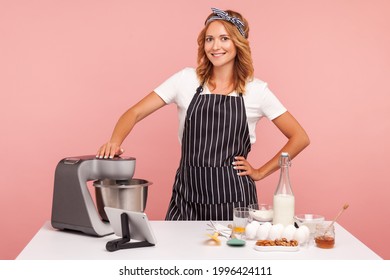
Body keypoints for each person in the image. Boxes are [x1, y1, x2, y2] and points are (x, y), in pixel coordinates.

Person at [96, 8, 310, 221]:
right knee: (179, 253)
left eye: (224, 38)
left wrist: (261, 172)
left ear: (238, 43)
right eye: (209, 39)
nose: (215, 46)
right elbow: (134, 112)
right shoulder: (185, 80)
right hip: (186, 197)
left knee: (230, 253)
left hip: (234, 200)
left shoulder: (256, 90)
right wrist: (115, 141)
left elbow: (300, 138)